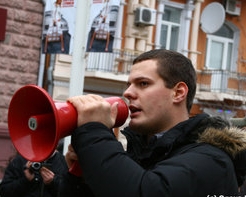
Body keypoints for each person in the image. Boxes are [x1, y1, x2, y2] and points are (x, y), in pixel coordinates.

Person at [61, 49, 246, 196]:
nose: (128, 93)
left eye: (143, 84)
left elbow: (143, 191)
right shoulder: (141, 156)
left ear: (178, 93)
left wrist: (95, 133)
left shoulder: (212, 160)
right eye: (129, 85)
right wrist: (83, 178)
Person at [0, 149, 68, 197]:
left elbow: (70, 193)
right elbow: (4, 191)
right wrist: (25, 180)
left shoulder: (64, 162)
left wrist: (53, 182)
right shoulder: (20, 160)